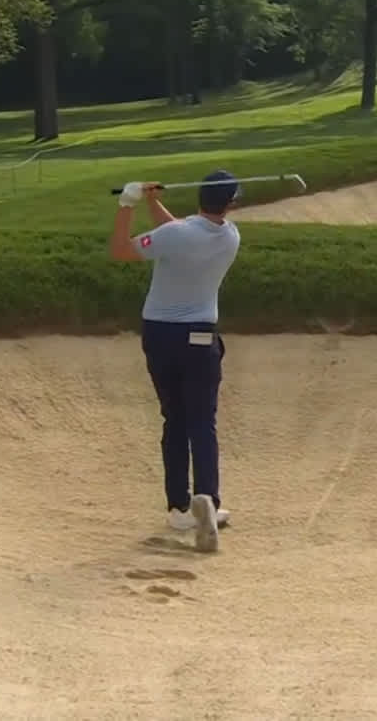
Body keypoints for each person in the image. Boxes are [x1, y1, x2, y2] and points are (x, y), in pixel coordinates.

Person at [109, 170, 242, 552]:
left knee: (175, 419)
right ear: (229, 205)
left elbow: (122, 249)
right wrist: (152, 203)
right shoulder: (230, 237)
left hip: (160, 335)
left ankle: (180, 506)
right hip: (200, 338)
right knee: (203, 421)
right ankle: (208, 500)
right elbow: (181, 234)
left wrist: (127, 205)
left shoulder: (175, 236)